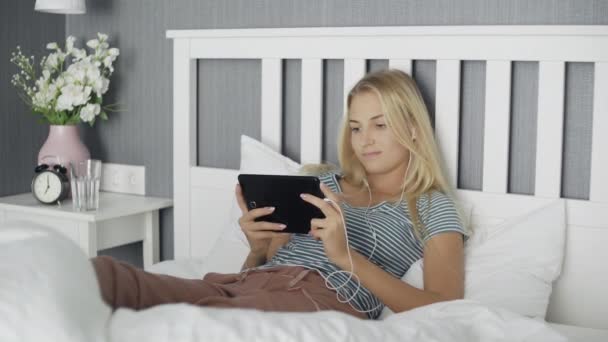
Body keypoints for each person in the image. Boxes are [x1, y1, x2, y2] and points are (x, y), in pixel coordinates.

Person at [92, 69, 469, 320]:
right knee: (109, 278)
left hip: (321, 299)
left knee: (199, 322)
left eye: (379, 125)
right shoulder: (321, 183)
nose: (364, 140)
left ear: (415, 129)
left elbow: (444, 309)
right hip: (245, 284)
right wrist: (257, 249)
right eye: (355, 127)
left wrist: (345, 257)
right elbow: (266, 270)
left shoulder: (432, 206)